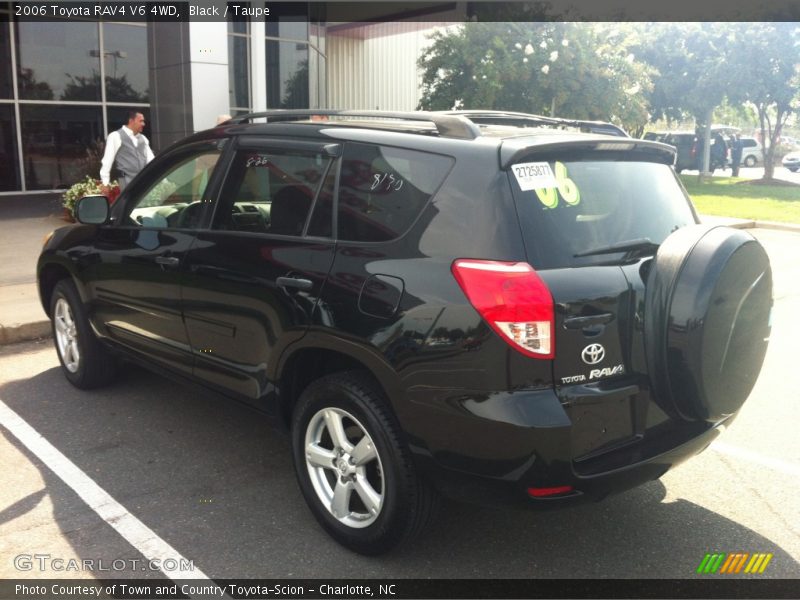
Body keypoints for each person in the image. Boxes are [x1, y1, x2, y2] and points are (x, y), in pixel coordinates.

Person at [100, 110, 154, 192]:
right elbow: (107, 160)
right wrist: (105, 183)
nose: (143, 124)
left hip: (143, 183)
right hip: (126, 183)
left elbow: (151, 160)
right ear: (131, 121)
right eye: (141, 121)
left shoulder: (143, 138)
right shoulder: (115, 136)